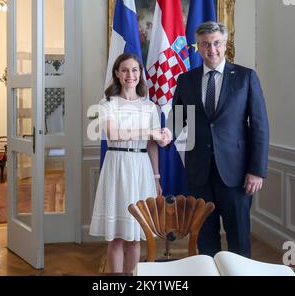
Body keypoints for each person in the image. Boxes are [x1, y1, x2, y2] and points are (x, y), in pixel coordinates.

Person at [172, 21, 269, 258]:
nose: (211, 49)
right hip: (199, 175)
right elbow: (176, 124)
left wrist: (256, 170)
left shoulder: (246, 77)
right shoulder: (186, 80)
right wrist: (152, 134)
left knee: (238, 239)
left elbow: (259, 126)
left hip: (236, 175)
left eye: (216, 43)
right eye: (205, 44)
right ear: (199, 47)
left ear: (225, 44)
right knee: (205, 239)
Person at [89, 53, 172, 273]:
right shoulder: (107, 103)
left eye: (134, 70)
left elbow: (153, 145)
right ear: (117, 73)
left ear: (140, 74)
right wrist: (149, 131)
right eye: (125, 70)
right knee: (116, 237)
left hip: (141, 167)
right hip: (116, 165)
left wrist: (156, 178)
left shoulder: (150, 106)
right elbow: (114, 134)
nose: (130, 75)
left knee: (136, 235)